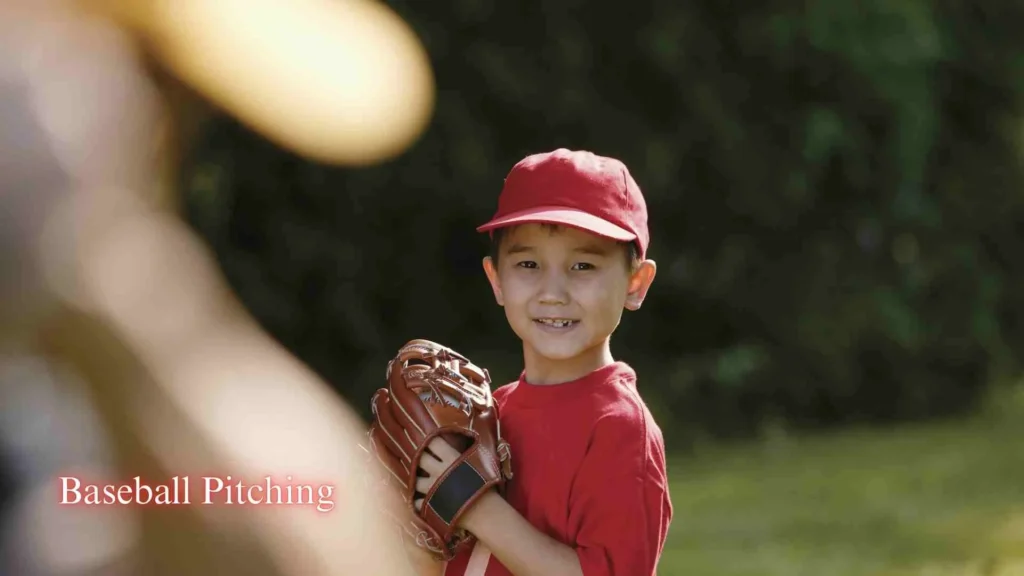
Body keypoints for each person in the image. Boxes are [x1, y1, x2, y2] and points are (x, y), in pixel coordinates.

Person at [409, 148, 673, 576]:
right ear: (496, 279)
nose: (553, 291)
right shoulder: (487, 412)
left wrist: (475, 506)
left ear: (635, 283)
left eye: (583, 265)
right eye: (528, 264)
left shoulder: (620, 429)